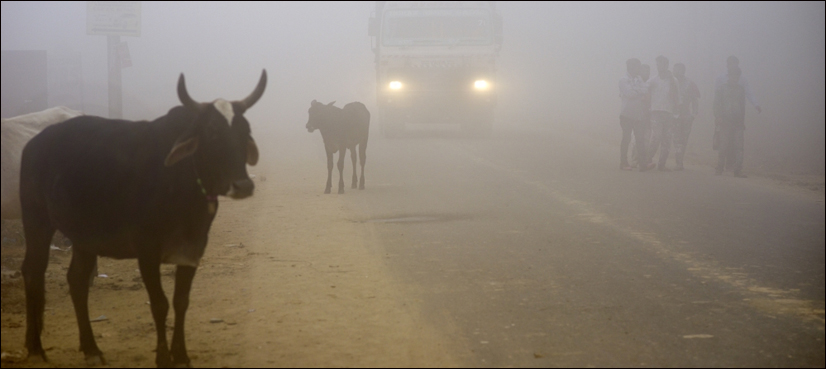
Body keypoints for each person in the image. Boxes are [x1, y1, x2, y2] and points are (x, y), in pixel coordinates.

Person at [618, 58, 654, 172]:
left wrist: (637, 91)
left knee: (640, 139)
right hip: (626, 114)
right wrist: (639, 92)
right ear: (631, 67)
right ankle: (623, 162)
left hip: (638, 115)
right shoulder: (623, 80)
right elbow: (630, 94)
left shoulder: (639, 79)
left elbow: (646, 91)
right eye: (638, 66)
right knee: (626, 138)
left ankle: (642, 164)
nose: (639, 69)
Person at [646, 55, 679, 171]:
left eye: (662, 64)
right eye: (658, 64)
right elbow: (645, 91)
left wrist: (676, 113)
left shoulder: (673, 81)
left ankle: (662, 164)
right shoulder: (652, 80)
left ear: (666, 65)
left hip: (669, 113)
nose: (659, 66)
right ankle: (647, 159)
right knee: (656, 136)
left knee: (667, 139)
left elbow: (677, 97)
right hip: (655, 112)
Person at [713, 66, 747, 177]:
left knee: (739, 146)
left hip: (738, 123)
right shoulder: (721, 89)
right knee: (723, 146)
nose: (735, 78)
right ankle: (719, 168)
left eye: (737, 76)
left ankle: (738, 170)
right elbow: (716, 104)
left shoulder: (741, 90)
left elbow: (742, 107)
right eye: (733, 75)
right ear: (729, 76)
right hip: (725, 121)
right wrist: (718, 116)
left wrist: (742, 121)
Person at [672, 63, 700, 170]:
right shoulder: (670, 82)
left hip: (686, 116)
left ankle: (680, 161)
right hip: (674, 116)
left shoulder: (690, 83)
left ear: (683, 70)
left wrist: (693, 115)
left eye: (678, 70)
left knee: (684, 140)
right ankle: (678, 162)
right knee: (676, 140)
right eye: (675, 69)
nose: (676, 72)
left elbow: (695, 100)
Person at [630, 64, 651, 169]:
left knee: (646, 139)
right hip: (636, 115)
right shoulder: (634, 82)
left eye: (648, 71)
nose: (646, 73)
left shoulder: (652, 83)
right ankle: (634, 160)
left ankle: (644, 161)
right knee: (635, 139)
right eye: (643, 71)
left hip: (648, 115)